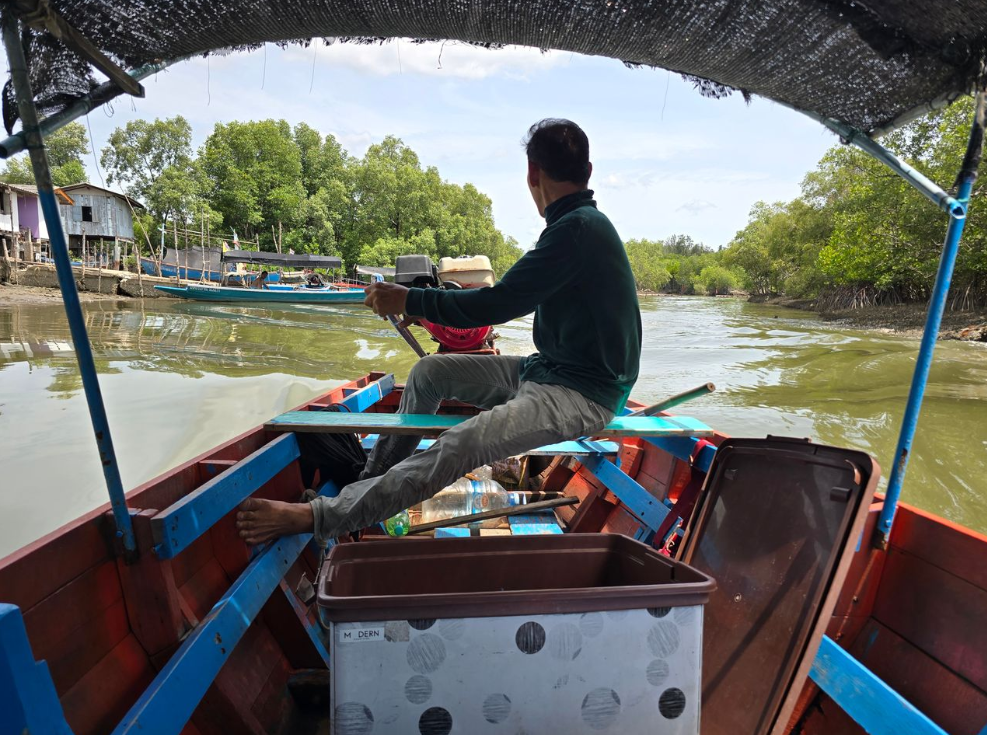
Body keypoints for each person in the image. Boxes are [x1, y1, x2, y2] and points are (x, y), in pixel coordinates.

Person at [236, 119, 642, 545]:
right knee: (430, 372)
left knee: (461, 443)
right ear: (589, 172)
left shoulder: (576, 230)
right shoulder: (575, 228)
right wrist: (424, 308)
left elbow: (495, 304)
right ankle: (370, 482)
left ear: (532, 173)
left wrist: (409, 300)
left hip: (583, 394)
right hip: (547, 370)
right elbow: (497, 300)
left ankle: (320, 518)